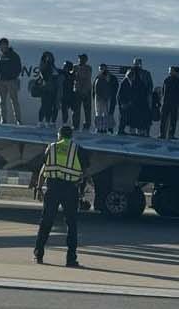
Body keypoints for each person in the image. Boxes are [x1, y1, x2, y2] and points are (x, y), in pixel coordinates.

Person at [33, 124, 87, 267]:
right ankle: (71, 259)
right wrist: (80, 187)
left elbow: (43, 169)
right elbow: (84, 172)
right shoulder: (78, 149)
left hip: (53, 188)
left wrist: (39, 188)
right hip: (70, 189)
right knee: (71, 224)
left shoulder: (51, 148)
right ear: (71, 136)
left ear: (59, 135)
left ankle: (39, 253)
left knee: (46, 222)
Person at [0, 38, 24, 124]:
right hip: (1, 81)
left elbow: (18, 68)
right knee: (2, 101)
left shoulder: (13, 56)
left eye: (1, 46)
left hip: (11, 81)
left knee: (14, 101)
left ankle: (18, 120)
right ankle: (3, 119)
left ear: (5, 45)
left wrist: (13, 77)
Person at [160, 66, 179, 139]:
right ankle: (170, 134)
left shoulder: (167, 80)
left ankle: (163, 134)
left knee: (164, 119)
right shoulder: (178, 81)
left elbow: (164, 92)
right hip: (173, 103)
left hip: (167, 103)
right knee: (172, 120)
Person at [33, 51, 59, 125]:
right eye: (47, 57)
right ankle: (40, 121)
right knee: (44, 106)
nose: (49, 59)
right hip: (46, 89)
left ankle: (47, 121)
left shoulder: (53, 67)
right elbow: (44, 76)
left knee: (50, 107)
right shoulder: (44, 67)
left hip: (52, 90)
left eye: (50, 57)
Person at [93, 64, 118, 133]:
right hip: (98, 98)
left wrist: (109, 97)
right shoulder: (98, 77)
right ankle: (99, 128)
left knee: (106, 114)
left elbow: (114, 88)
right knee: (98, 114)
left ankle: (105, 128)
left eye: (102, 68)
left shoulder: (112, 78)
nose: (101, 70)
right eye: (100, 69)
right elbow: (95, 89)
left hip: (107, 99)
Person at [73, 54, 93, 128]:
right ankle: (75, 125)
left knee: (87, 110)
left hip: (86, 90)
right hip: (77, 91)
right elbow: (73, 76)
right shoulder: (75, 67)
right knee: (76, 110)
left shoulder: (88, 68)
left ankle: (87, 125)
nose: (80, 60)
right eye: (80, 59)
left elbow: (85, 78)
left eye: (82, 59)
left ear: (85, 60)